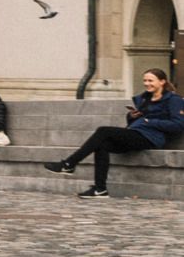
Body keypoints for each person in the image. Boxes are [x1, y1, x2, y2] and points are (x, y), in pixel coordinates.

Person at [46, 67, 184, 198]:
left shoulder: (173, 100)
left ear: (162, 81)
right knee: (102, 145)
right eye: (145, 80)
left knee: (103, 131)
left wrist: (150, 122)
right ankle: (100, 189)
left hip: (152, 138)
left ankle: (69, 164)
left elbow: (178, 125)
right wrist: (132, 116)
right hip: (136, 133)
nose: (147, 84)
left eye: (150, 80)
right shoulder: (144, 99)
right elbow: (136, 122)